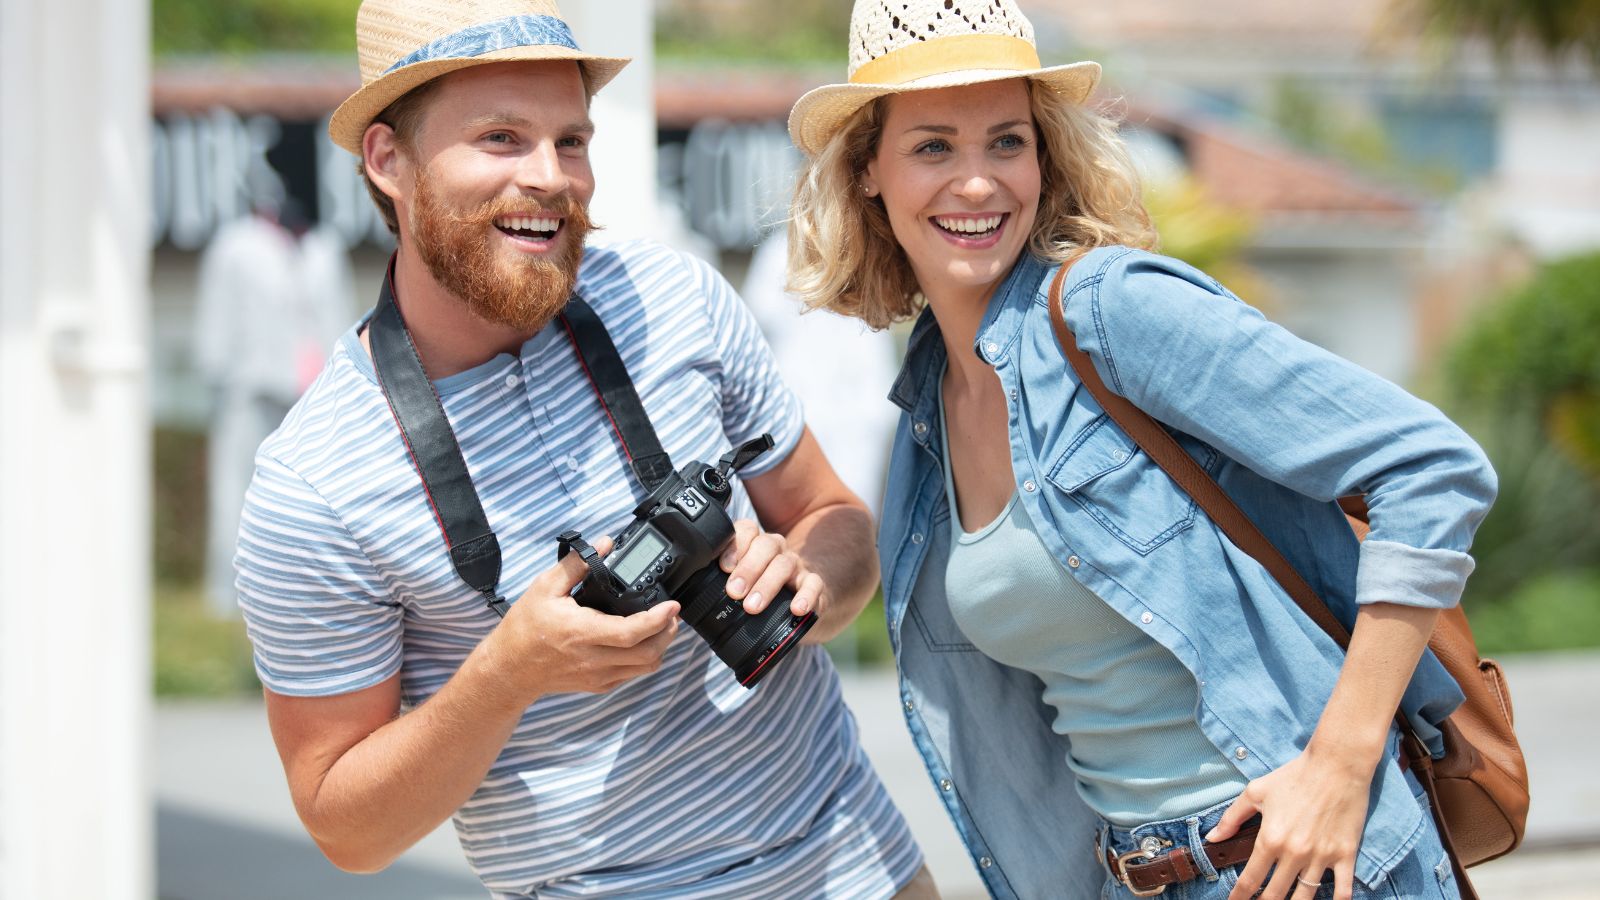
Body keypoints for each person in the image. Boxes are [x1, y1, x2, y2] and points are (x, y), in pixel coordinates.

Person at [784, 2, 1496, 899]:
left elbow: (1432, 468)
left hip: (1312, 865)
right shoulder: (924, 410)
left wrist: (1342, 765)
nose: (978, 183)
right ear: (868, 174)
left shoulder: (1112, 310)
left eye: (1007, 142)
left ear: (1045, 158)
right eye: (933, 147)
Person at [234, 1, 933, 897]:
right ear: (387, 159)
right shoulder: (312, 483)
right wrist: (507, 674)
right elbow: (346, 828)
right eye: (500, 137)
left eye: (572, 140)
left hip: (860, 858)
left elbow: (838, 524)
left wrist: (805, 583)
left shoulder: (676, 297)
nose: (551, 177)